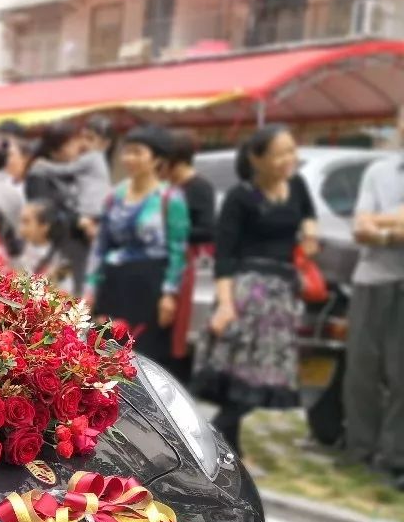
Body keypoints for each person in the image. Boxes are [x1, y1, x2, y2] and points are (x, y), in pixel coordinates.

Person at [192, 125, 317, 454]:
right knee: (243, 371)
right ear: (257, 158)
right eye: (281, 153)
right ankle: (220, 433)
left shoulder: (298, 186)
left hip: (283, 294)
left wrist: (309, 233)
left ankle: (223, 434)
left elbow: (307, 217)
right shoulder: (241, 196)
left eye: (292, 150)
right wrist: (225, 303)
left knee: (267, 372)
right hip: (250, 291)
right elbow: (225, 254)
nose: (290, 159)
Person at [83, 125, 190, 364]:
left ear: (157, 160)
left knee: (144, 357)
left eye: (138, 152)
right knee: (106, 352)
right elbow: (101, 246)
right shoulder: (114, 196)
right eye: (127, 152)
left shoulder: (169, 198)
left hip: (149, 287)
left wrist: (170, 294)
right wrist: (91, 287)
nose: (129, 158)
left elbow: (178, 250)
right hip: (113, 285)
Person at [344, 111, 404, 489]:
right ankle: (360, 447)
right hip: (371, 279)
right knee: (361, 369)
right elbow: (359, 228)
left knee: (401, 375)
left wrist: (380, 225)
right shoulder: (379, 171)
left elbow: (372, 224)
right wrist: (392, 226)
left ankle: (393, 455)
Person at [164, 129, 217, 367]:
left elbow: (207, 229)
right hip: (161, 260)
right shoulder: (166, 187)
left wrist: (172, 231)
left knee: (178, 325)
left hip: (184, 262)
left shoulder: (199, 188)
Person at [24, 122, 89, 286]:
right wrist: (78, 220)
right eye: (72, 143)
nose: (78, 147)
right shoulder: (39, 176)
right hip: (55, 250)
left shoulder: (75, 171)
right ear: (55, 151)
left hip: (79, 247)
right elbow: (45, 213)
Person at [17, 199, 69, 285]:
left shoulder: (60, 264)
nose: (21, 229)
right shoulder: (17, 252)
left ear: (45, 226)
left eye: (26, 222)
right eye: (21, 222)